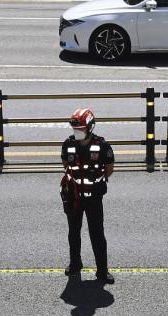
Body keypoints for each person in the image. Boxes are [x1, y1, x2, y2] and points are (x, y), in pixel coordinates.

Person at [61, 107, 115, 284]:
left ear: (90, 128)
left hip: (94, 198)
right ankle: (75, 264)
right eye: (75, 129)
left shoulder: (102, 146)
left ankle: (102, 271)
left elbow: (109, 170)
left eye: (81, 129)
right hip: (74, 197)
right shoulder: (68, 144)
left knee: (97, 234)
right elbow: (66, 166)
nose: (77, 132)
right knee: (73, 233)